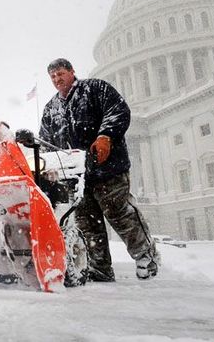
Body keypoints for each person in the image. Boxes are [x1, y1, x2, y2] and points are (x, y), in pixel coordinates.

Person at [38, 58, 159, 281]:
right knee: (87, 224)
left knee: (120, 214)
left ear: (72, 72)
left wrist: (105, 136)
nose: (57, 79)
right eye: (53, 77)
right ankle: (100, 268)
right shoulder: (50, 109)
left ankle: (146, 258)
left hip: (108, 168)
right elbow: (46, 142)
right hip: (77, 178)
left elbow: (118, 110)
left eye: (61, 73)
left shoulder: (95, 89)